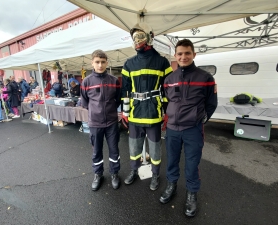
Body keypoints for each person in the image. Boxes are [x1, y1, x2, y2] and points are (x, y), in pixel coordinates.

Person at [160, 39, 218, 217]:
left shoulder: (206, 78)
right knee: (172, 160)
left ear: (194, 54)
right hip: (172, 129)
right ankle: (171, 186)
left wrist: (200, 119)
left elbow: (211, 104)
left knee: (192, 164)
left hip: (193, 129)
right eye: (180, 54)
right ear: (175, 56)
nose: (183, 57)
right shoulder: (169, 80)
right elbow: (165, 102)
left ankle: (192, 194)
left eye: (187, 53)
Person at [121, 22, 173, 191]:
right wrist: (125, 113)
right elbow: (125, 91)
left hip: (153, 112)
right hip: (135, 113)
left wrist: (166, 113)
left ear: (149, 37)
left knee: (155, 147)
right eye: (134, 37)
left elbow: (167, 91)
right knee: (134, 147)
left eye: (140, 36)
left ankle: (156, 174)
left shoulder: (162, 62)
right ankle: (134, 171)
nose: (137, 41)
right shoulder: (128, 64)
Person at [81, 49, 121, 191]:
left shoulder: (114, 81)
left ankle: (114, 173)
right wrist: (95, 111)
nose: (100, 65)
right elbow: (85, 102)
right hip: (95, 123)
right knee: (96, 151)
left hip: (111, 122)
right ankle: (98, 174)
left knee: (114, 149)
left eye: (103, 62)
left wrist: (109, 111)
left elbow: (117, 100)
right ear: (92, 63)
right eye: (97, 62)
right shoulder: (86, 81)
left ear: (107, 63)